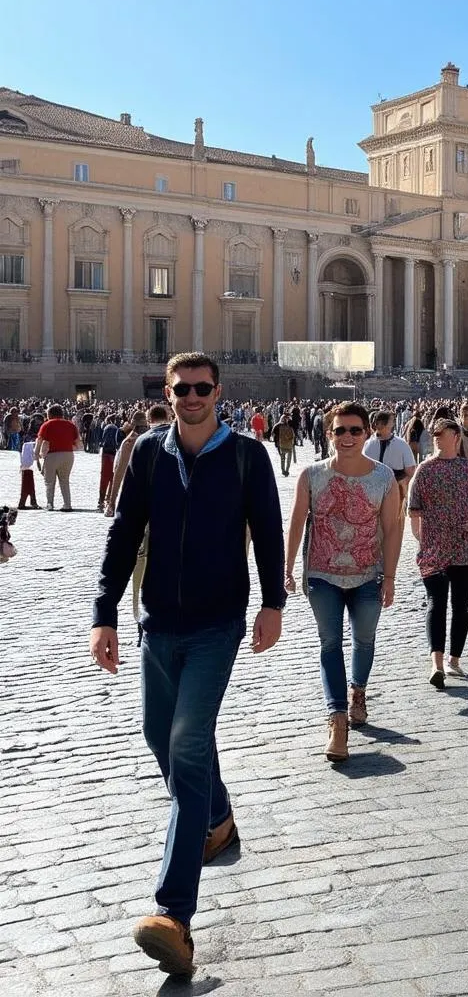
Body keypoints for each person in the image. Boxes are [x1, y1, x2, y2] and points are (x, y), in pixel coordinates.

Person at [90, 352, 285, 977]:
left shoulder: (247, 456)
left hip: (217, 623)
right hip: (158, 622)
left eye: (203, 388)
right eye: (183, 389)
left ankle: (174, 914)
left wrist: (273, 603)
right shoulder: (148, 452)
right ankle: (218, 818)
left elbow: (269, 530)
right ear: (168, 394)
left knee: (187, 745)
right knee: (160, 735)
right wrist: (105, 612)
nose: (193, 396)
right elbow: (125, 532)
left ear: (217, 393)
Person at [285, 402, 402, 760]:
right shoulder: (311, 475)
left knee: (364, 642)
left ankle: (358, 691)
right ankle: (337, 719)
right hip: (322, 574)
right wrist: (287, 567)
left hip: (368, 574)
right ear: (329, 434)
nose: (347, 437)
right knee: (329, 644)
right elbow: (295, 521)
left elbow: (392, 529)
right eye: (340, 431)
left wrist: (391, 576)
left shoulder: (383, 477)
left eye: (354, 430)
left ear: (366, 433)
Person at [407, 418, 468, 687]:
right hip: (434, 549)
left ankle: (455, 659)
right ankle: (437, 663)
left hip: (466, 547)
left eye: (443, 434)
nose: (438, 438)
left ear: (456, 437)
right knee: (436, 603)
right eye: (435, 435)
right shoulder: (424, 470)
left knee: (460, 605)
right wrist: (421, 539)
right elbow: (413, 509)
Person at [362, 410, 417, 503]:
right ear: (386, 424)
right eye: (392, 421)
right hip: (376, 490)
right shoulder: (401, 444)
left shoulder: (366, 444)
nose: (393, 423)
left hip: (389, 488)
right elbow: (411, 471)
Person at [35, 404, 81, 511]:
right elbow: (78, 445)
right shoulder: (71, 425)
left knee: (49, 481)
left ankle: (50, 504)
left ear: (50, 414)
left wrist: (37, 454)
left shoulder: (47, 424)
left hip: (52, 455)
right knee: (64, 480)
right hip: (68, 455)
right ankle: (67, 504)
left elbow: (40, 441)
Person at [98, 414, 124, 511]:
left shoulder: (107, 427)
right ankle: (108, 499)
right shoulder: (116, 428)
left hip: (107, 454)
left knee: (104, 478)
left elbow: (103, 441)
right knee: (112, 478)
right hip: (114, 453)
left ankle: (101, 501)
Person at [18, 431, 38, 510]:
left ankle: (30, 500)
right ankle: (26, 501)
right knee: (27, 475)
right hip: (28, 445)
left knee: (28, 476)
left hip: (27, 445)